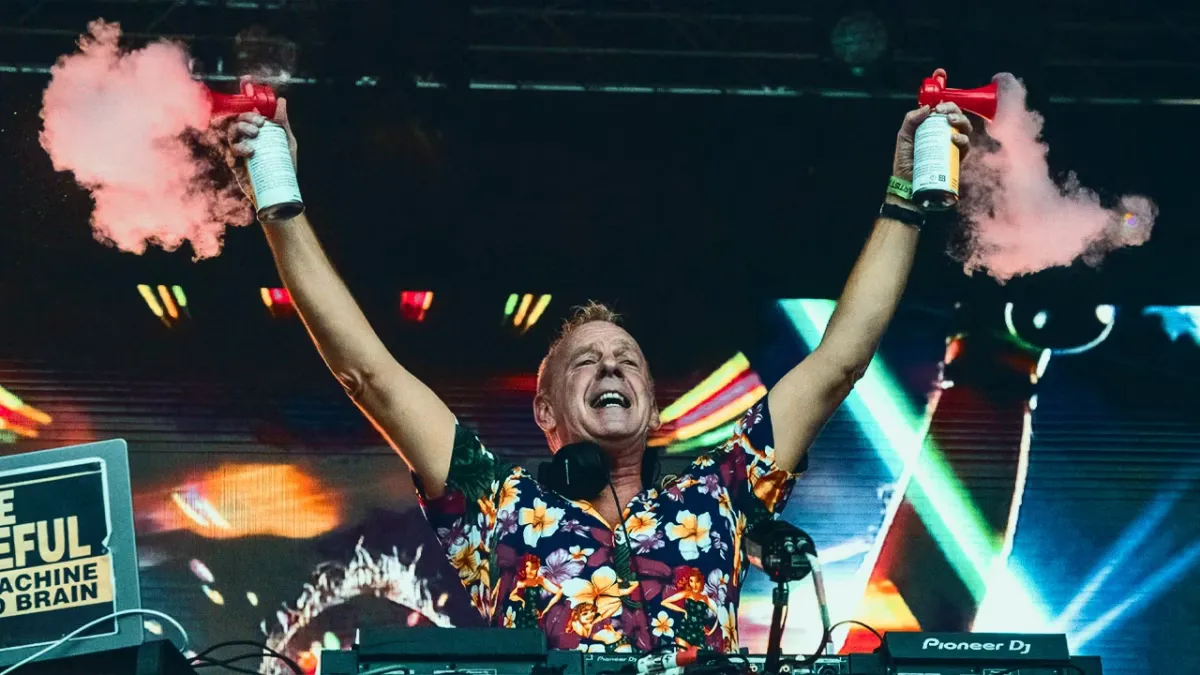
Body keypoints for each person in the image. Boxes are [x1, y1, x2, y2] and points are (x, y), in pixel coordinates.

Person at [225, 79, 972, 652]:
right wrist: (280, 205)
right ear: (545, 410)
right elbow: (370, 375)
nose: (611, 365)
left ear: (651, 401)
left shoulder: (724, 490)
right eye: (586, 361)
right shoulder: (493, 502)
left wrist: (906, 196)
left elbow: (839, 361)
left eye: (628, 360)